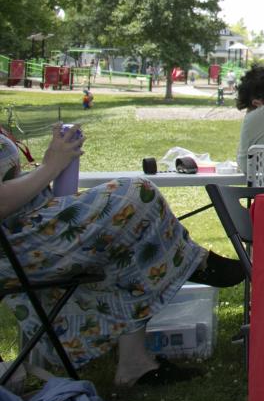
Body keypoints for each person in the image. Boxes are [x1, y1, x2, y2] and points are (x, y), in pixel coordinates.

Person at [0, 128, 244, 387]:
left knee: (130, 236)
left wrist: (57, 165)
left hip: (38, 232)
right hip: (20, 248)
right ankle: (194, 261)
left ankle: (135, 364)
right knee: (136, 193)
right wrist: (51, 165)